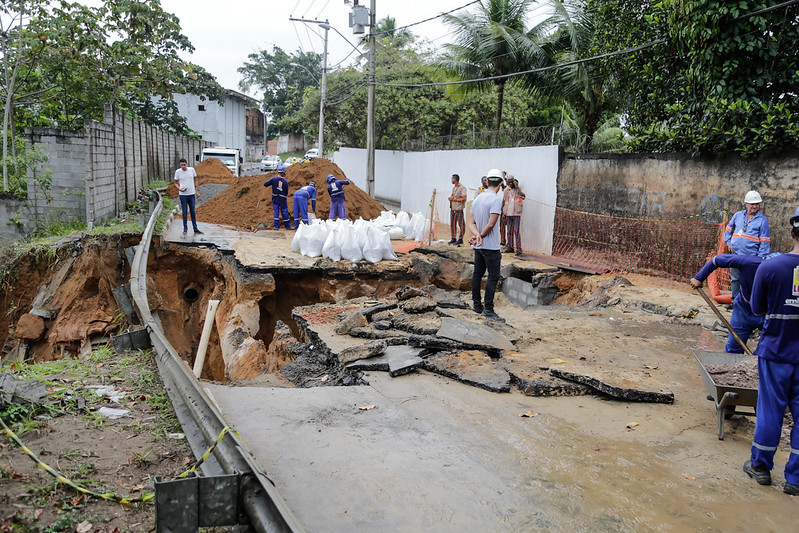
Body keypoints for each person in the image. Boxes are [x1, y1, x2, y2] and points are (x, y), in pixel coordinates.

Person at [743, 206, 799, 495]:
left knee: (770, 411)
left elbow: (757, 308)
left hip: (776, 352)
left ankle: (761, 467)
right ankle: (796, 479)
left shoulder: (770, 267)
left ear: (791, 232)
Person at [689, 253, 778, 353]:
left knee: (768, 351)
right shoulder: (748, 262)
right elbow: (717, 260)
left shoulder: (788, 273)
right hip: (743, 311)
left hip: (770, 314)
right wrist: (699, 277)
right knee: (733, 349)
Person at [468, 168, 505, 322]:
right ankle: (488, 309)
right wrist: (481, 235)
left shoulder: (477, 198)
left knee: (477, 274)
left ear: (487, 182)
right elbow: (491, 224)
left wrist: (476, 235)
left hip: (479, 246)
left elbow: (471, 222)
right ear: (500, 183)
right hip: (490, 246)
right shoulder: (496, 199)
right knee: (493, 276)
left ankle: (477, 305)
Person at [724, 190, 770, 301]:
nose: (754, 206)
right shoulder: (738, 215)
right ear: (746, 204)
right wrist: (729, 242)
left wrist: (761, 258)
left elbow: (765, 241)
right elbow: (728, 231)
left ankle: (748, 302)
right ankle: (735, 301)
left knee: (750, 280)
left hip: (751, 256)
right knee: (735, 279)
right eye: (752, 204)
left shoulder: (762, 221)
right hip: (736, 254)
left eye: (757, 204)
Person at [174, 158, 202, 237]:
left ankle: (195, 228)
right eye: (181, 165)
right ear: (180, 165)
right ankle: (185, 228)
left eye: (184, 165)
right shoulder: (178, 172)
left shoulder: (191, 170)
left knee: (193, 211)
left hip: (191, 194)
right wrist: (179, 189)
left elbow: (196, 180)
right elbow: (175, 183)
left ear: (187, 164)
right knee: (185, 211)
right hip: (183, 195)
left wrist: (198, 190)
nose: (183, 166)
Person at [503, 176, 526, 255]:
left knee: (516, 231)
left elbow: (523, 196)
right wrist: (503, 212)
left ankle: (519, 249)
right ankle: (510, 247)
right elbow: (504, 201)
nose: (510, 183)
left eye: (511, 182)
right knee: (509, 231)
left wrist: (517, 187)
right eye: (508, 182)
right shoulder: (506, 190)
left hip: (516, 213)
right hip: (508, 214)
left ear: (514, 181)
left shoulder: (518, 190)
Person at [448, 173, 467, 245]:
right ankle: (453, 238)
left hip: (459, 210)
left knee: (461, 225)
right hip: (453, 209)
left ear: (455, 179)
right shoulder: (454, 188)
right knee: (452, 224)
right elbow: (453, 197)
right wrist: (451, 199)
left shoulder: (462, 188)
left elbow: (464, 199)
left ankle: (460, 239)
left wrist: (453, 199)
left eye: (452, 179)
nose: (451, 180)